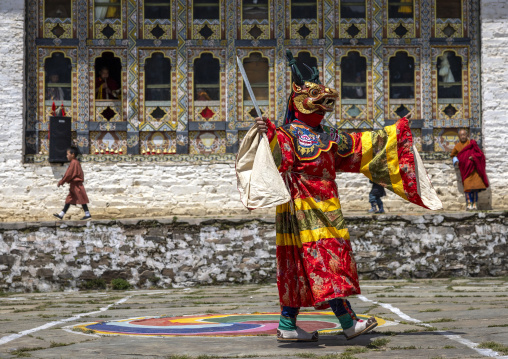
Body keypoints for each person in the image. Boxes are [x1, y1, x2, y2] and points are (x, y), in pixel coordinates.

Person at [249, 50, 441, 342]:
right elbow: (279, 162)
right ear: (299, 101)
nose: (323, 102)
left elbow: (362, 147)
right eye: (315, 95)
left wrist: (396, 133)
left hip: (326, 204)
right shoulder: (288, 135)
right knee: (323, 260)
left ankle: (288, 325)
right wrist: (268, 134)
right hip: (302, 206)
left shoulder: (329, 135)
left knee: (307, 262)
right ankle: (348, 321)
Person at [450, 129, 489, 210]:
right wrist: (456, 161)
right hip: (465, 170)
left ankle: (475, 204)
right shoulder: (457, 146)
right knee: (467, 187)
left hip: (474, 170)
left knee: (475, 187)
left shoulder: (472, 143)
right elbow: (453, 155)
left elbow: (480, 154)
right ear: (459, 136)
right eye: (461, 135)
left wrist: (473, 157)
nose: (463, 136)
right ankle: (469, 204)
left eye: (464, 135)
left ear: (467, 135)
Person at [53, 147, 92, 220]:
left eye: (68, 154)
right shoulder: (75, 162)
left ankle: (87, 214)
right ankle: (61, 215)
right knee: (69, 199)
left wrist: (62, 181)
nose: (66, 156)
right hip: (74, 185)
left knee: (81, 199)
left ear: (73, 154)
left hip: (76, 184)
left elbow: (68, 174)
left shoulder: (74, 162)